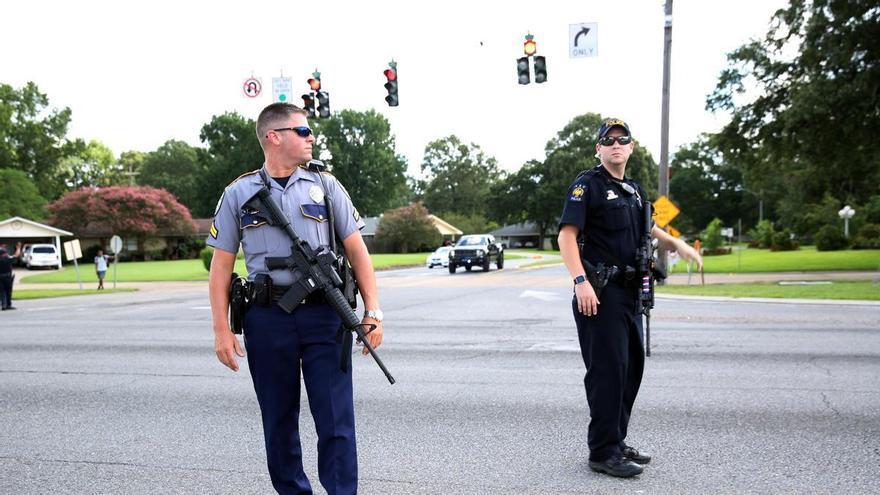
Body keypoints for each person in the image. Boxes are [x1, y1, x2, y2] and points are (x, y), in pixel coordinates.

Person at [207, 102, 384, 495]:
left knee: (336, 420)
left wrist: (373, 310)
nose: (311, 137)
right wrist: (221, 330)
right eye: (302, 131)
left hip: (326, 314)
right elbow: (220, 267)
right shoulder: (238, 193)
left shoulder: (326, 186)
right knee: (278, 419)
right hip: (267, 317)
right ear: (274, 137)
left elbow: (357, 251)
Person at [557, 118, 702, 478]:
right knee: (607, 373)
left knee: (630, 370)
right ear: (599, 149)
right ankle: (602, 451)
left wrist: (679, 244)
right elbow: (566, 236)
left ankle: (616, 440)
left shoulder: (634, 191)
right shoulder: (587, 186)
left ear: (631, 147)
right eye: (608, 141)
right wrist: (580, 281)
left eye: (622, 140)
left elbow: (648, 228)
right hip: (599, 294)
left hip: (631, 294)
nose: (616, 145)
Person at [0, 243, 22, 310]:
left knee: (2, 292)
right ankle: (8, 305)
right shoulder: (8, 259)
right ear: (3, 254)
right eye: (5, 253)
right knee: (8, 291)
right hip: (7, 277)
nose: (6, 254)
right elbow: (16, 255)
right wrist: (18, 248)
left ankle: (3, 305)